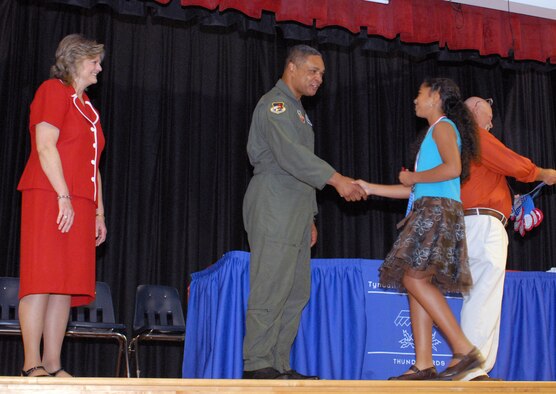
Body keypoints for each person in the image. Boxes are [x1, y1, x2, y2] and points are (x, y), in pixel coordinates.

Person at [242, 45, 366, 380]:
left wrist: (310, 217)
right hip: (274, 200)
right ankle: (257, 364)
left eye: (322, 74)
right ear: (292, 68)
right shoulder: (276, 104)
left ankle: (278, 363)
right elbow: (291, 156)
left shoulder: (298, 111)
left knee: (296, 290)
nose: (319, 79)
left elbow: (300, 169)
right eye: (313, 71)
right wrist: (337, 180)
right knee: (271, 283)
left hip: (295, 206)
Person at [356, 78, 483, 380]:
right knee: (417, 282)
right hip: (431, 207)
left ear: (436, 96)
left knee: (414, 279)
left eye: (419, 93)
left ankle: (463, 349)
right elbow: (415, 190)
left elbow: (452, 168)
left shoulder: (442, 126)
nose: (415, 99)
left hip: (437, 211)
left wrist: (413, 176)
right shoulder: (435, 131)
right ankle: (424, 363)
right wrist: (370, 187)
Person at [17, 34, 107, 377]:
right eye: (94, 61)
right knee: (42, 277)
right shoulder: (52, 91)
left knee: (64, 284)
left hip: (81, 203)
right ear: (74, 60)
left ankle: (53, 364)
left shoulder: (89, 109)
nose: (99, 67)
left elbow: (94, 165)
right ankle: (31, 364)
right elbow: (44, 146)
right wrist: (63, 196)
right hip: (48, 196)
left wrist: (99, 212)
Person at [459, 97, 556, 381]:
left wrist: (505, 200)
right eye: (489, 116)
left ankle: (475, 368)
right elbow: (511, 163)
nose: (491, 124)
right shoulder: (475, 134)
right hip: (481, 224)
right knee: (483, 295)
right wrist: (543, 174)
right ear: (475, 109)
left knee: (481, 295)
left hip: (477, 221)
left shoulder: (465, 142)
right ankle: (470, 370)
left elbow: (487, 178)